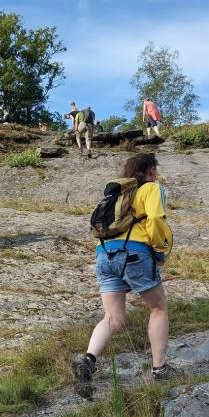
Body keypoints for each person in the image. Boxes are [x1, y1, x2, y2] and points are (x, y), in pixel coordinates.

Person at [72, 153, 176, 400]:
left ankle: (87, 361)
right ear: (150, 170)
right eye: (156, 170)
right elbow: (155, 220)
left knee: (113, 318)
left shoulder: (118, 193)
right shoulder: (151, 189)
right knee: (158, 308)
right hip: (135, 252)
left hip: (104, 254)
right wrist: (161, 250)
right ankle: (160, 369)